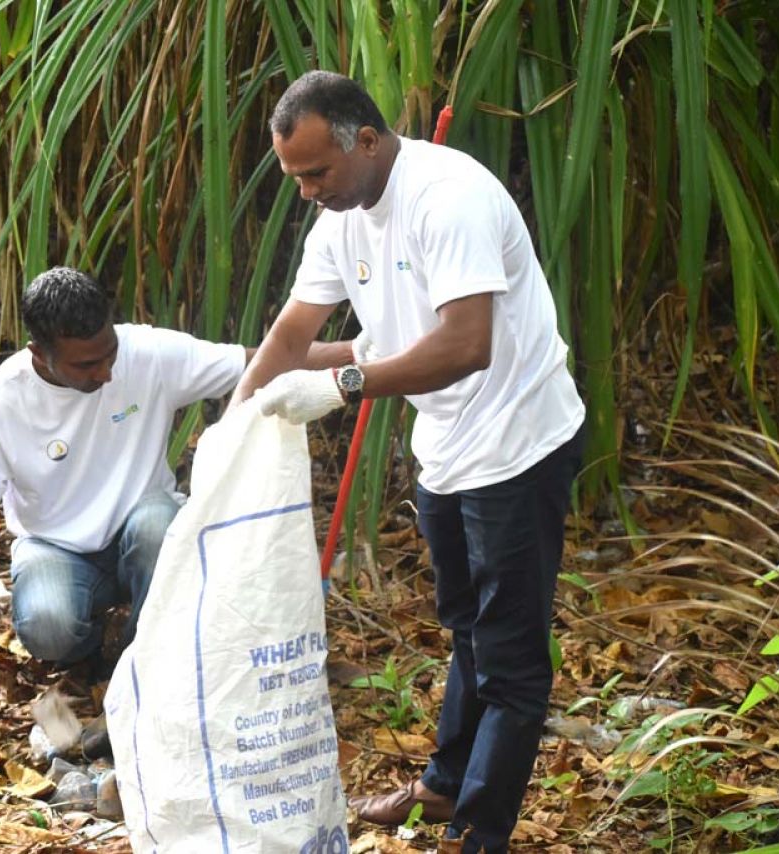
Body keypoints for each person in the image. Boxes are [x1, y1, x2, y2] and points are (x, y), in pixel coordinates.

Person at [232, 71, 585, 854]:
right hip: (447, 448)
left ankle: (476, 831)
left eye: (315, 173)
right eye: (294, 178)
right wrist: (232, 425)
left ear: (367, 138)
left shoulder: (446, 196)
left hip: (518, 443)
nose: (305, 193)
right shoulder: (342, 217)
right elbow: (292, 334)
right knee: (465, 627)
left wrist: (344, 384)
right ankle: (443, 783)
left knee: (513, 658)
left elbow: (467, 345)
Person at [0, 266, 349, 675]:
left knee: (160, 524)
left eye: (110, 354)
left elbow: (260, 362)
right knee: (48, 627)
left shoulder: (147, 352)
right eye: (86, 365)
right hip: (54, 546)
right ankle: (89, 654)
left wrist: (359, 355)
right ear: (40, 354)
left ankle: (142, 655)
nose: (105, 372)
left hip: (144, 531)